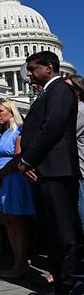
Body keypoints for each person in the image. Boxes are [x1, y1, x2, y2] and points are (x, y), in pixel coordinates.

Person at [20, 52, 80, 295]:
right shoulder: (47, 92)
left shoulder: (60, 90)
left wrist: (27, 160)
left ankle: (71, 291)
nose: (29, 74)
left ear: (49, 67)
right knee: (52, 233)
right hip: (46, 170)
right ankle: (58, 287)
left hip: (57, 170)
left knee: (65, 235)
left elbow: (51, 128)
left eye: (33, 69)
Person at [0, 99, 35, 279]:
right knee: (7, 221)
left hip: (12, 178)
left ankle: (22, 262)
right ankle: (17, 260)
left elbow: (18, 157)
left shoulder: (18, 132)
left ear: (11, 112)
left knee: (17, 222)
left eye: (0, 111)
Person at [64, 75, 84, 231]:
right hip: (75, 170)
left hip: (81, 170)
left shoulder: (80, 111)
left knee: (80, 214)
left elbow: (64, 134)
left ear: (77, 91)